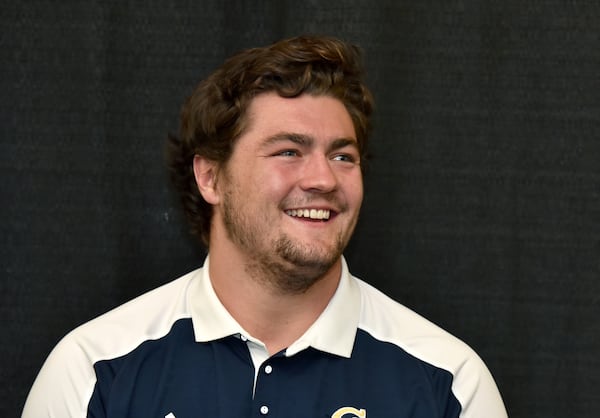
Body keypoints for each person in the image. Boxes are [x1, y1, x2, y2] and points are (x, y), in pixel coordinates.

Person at [22, 35, 507, 418]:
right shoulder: (94, 371)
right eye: (288, 151)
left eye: (343, 155)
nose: (323, 179)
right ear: (211, 176)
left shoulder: (449, 384)